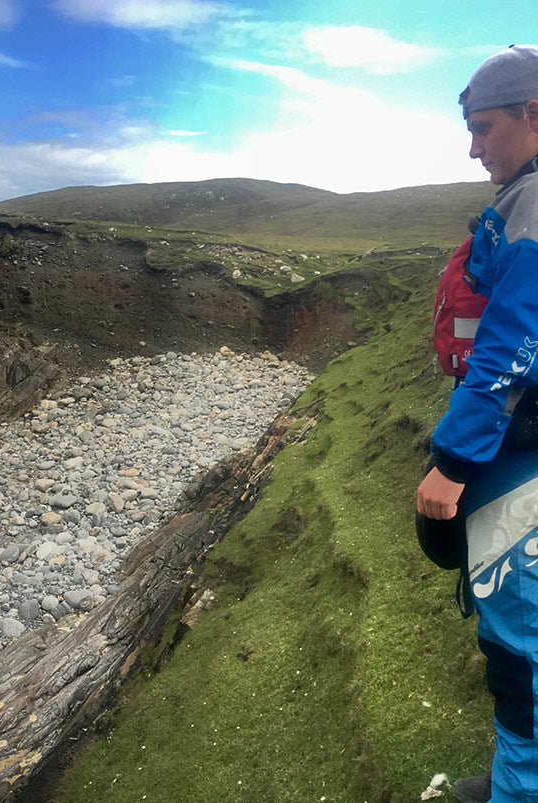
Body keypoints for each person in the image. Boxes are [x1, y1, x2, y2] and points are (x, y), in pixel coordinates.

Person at [418, 44, 538, 803]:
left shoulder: (535, 201)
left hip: (521, 450)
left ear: (535, 115)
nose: (472, 147)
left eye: (485, 128)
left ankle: (518, 794)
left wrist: (454, 461)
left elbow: (512, 341)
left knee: (517, 641)